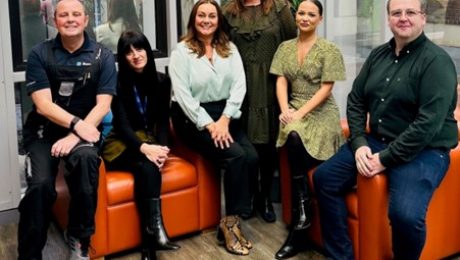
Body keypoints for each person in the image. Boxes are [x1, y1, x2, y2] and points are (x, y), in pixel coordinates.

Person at [313, 0, 459, 259]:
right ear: (389, 18)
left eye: (411, 12)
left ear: (423, 18)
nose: (403, 18)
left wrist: (384, 159)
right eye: (396, 13)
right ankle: (341, 256)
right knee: (324, 179)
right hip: (377, 140)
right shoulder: (378, 55)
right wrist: (359, 144)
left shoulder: (437, 62)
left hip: (424, 150)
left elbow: (427, 125)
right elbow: (357, 99)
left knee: (405, 214)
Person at [17, 0, 117, 259]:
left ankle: (79, 238)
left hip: (84, 132)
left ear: (86, 20)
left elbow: (103, 104)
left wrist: (75, 135)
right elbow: (42, 105)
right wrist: (76, 124)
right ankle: (29, 253)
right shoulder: (40, 54)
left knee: (85, 164)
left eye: (76, 14)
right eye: (63, 15)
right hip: (44, 132)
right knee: (40, 187)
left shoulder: (102, 56)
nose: (70, 19)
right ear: (54, 21)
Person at [169, 0, 258, 256]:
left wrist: (225, 119)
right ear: (193, 20)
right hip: (192, 117)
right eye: (201, 16)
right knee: (236, 155)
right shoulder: (181, 52)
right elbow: (184, 97)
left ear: (218, 20)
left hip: (225, 115)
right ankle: (230, 224)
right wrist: (209, 124)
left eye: (211, 16)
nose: (206, 20)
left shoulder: (229, 48)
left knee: (251, 157)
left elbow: (240, 85)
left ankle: (231, 222)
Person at [269, 0, 346, 258]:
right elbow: (280, 80)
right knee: (291, 131)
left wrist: (299, 113)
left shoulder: (329, 49)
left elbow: (327, 88)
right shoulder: (284, 47)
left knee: (293, 133)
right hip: (293, 106)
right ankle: (303, 214)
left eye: (311, 14)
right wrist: (285, 109)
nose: (304, 18)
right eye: (301, 13)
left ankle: (301, 218)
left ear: (320, 19)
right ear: (295, 16)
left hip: (321, 110)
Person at [101, 30, 180, 260]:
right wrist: (145, 149)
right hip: (121, 143)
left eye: (139, 48)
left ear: (147, 50)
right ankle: (156, 235)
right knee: (147, 165)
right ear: (123, 58)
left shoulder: (162, 81)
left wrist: (164, 149)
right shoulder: (116, 84)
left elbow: (164, 120)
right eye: (128, 52)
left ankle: (149, 246)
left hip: (148, 139)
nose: (136, 55)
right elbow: (123, 127)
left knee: (148, 168)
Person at [222, 0, 297, 223]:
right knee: (246, 145)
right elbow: (220, 46)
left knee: (268, 146)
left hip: (272, 85)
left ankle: (264, 197)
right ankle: (250, 195)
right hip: (239, 86)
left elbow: (292, 45)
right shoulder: (227, 11)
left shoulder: (280, 8)